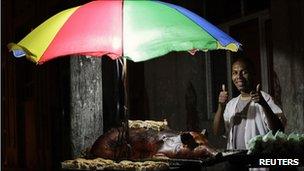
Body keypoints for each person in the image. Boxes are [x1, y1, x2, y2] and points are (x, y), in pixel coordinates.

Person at [213, 56, 286, 151]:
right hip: (235, 162)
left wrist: (263, 104)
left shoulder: (266, 99)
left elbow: (279, 131)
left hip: (257, 161)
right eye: (235, 73)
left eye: (244, 72)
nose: (239, 77)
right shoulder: (231, 104)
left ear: (253, 74)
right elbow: (217, 132)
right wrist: (221, 106)